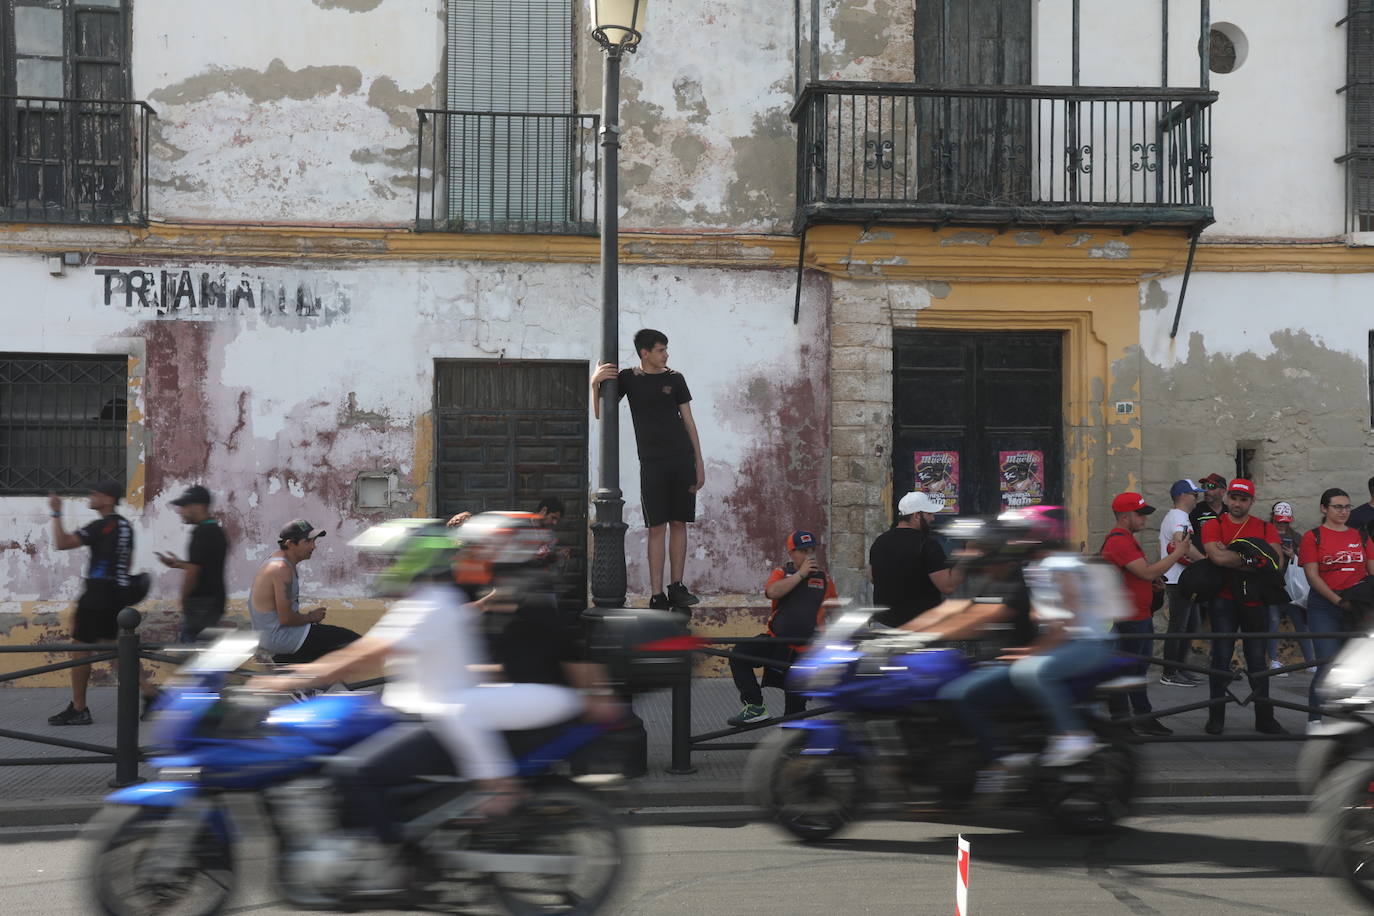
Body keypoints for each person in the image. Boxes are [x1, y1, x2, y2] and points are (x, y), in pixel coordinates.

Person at [265, 514, 620, 894]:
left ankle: (398, 860)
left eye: (392, 560)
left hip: (476, 709)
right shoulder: (464, 597)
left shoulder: (445, 602)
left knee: (357, 770)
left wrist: (295, 677)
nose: (386, 569)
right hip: (440, 707)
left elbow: (365, 654)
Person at [918, 508, 1125, 786]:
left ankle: (1065, 738)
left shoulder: (1052, 566)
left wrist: (1032, 651)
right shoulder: (1036, 568)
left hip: (1082, 642)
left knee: (1024, 674)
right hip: (1061, 643)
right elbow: (1042, 614)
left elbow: (1064, 618)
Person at [591, 328, 705, 611]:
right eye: (661, 350)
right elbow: (601, 414)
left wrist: (699, 462)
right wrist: (595, 384)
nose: (666, 355)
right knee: (656, 527)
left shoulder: (675, 378)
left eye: (666, 349)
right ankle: (656, 595)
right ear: (645, 353)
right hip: (652, 463)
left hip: (682, 459)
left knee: (679, 523)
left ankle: (676, 587)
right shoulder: (628, 378)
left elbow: (689, 422)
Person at [44, 479, 159, 725]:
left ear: (108, 499)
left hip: (97, 595)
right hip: (116, 594)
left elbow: (62, 543)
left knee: (80, 648)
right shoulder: (125, 527)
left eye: (95, 494)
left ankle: (79, 708)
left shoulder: (102, 526)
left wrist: (56, 512)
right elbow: (126, 563)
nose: (91, 497)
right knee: (112, 649)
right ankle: (152, 694)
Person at [1200, 478, 1287, 735]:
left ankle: (1265, 718)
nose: (1238, 503)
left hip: (1255, 601)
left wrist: (1232, 555)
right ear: (1227, 498)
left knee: (1258, 662)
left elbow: (1275, 561)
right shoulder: (1213, 524)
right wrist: (1254, 559)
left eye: (1243, 499)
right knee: (1220, 659)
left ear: (1252, 501)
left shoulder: (1264, 526)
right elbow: (1216, 558)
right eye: (1234, 498)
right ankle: (1216, 717)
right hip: (1223, 600)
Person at [727, 529, 838, 725]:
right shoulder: (781, 573)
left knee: (795, 713)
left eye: (812, 550)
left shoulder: (824, 579)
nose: (809, 555)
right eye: (803, 551)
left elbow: (835, 612)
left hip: (806, 652)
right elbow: (772, 592)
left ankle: (792, 740)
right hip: (777, 642)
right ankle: (755, 706)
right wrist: (801, 575)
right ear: (791, 553)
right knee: (739, 655)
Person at [1100, 492, 1183, 736]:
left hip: (1139, 617)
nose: (1145, 519)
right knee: (1124, 672)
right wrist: (1178, 552)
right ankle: (1122, 723)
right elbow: (1146, 572)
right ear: (1125, 517)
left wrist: (1151, 584)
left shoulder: (1126, 540)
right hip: (1128, 620)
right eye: (1140, 514)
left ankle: (1142, 716)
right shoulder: (1119, 542)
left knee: (1136, 671)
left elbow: (1141, 575)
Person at [1299, 488, 1374, 732]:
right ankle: (1315, 719)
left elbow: (1372, 570)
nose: (1343, 511)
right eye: (1338, 507)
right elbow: (1312, 576)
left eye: (1347, 507)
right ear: (1324, 508)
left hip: (1357, 605)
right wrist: (1338, 601)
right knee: (1327, 663)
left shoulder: (1360, 536)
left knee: (1356, 665)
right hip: (1325, 605)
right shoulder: (1313, 536)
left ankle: (1350, 721)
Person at [248, 520, 360, 664]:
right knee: (355, 643)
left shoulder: (278, 560)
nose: (313, 546)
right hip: (282, 638)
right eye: (307, 542)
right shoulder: (281, 569)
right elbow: (286, 619)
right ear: (290, 544)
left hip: (275, 637)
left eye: (314, 541)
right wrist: (311, 617)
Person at [868, 491, 963, 628]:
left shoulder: (879, 541)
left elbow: (872, 577)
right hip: (919, 629)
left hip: (883, 625)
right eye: (929, 514)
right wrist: (968, 556)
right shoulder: (927, 544)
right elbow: (948, 586)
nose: (932, 519)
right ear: (917, 515)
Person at [155, 485, 229, 643]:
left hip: (200, 605)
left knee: (193, 651)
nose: (180, 511)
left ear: (199, 506)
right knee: (204, 651)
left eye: (185, 506)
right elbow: (205, 565)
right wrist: (179, 564)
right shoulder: (215, 531)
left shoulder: (201, 533)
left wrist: (183, 600)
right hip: (213, 602)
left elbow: (193, 572)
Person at [1159, 479, 1206, 686]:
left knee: (1190, 626)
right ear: (1181, 496)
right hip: (1178, 580)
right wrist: (1205, 561)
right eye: (1194, 494)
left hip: (1183, 579)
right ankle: (1169, 673)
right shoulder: (1178, 516)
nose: (1197, 498)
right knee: (1178, 628)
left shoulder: (1179, 516)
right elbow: (1182, 543)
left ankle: (1179, 668)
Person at [1266, 500, 1313, 676]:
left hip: (1292, 588)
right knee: (1272, 622)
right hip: (1272, 586)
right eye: (1279, 521)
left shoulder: (1296, 537)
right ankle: (1273, 661)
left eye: (1285, 522)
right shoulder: (1266, 533)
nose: (1282, 525)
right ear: (1273, 518)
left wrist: (1293, 555)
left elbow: (1306, 560)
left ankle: (1310, 662)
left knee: (1301, 624)